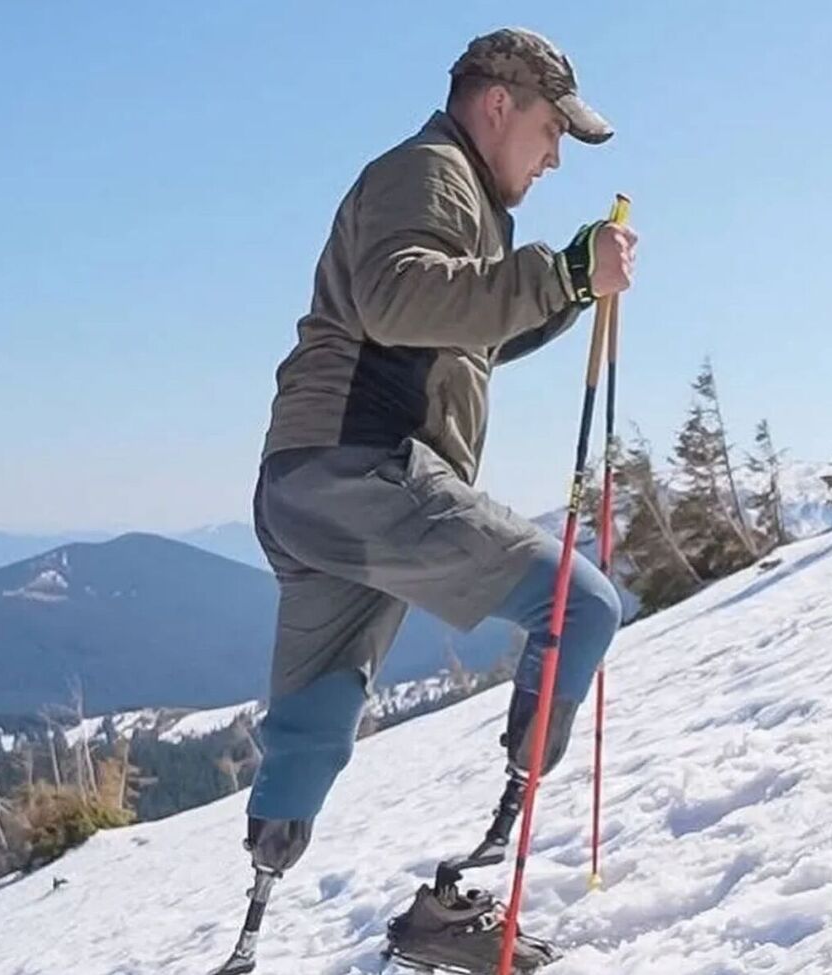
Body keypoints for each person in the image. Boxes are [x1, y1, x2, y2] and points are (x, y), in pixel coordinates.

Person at [214, 26, 638, 975]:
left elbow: (456, 333)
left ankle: (255, 919)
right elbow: (403, 301)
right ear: (498, 104)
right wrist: (566, 272)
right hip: (366, 468)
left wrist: (564, 295)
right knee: (584, 607)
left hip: (308, 485)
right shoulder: (431, 173)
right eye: (551, 127)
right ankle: (486, 856)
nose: (556, 154)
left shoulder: (460, 198)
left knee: (317, 713)